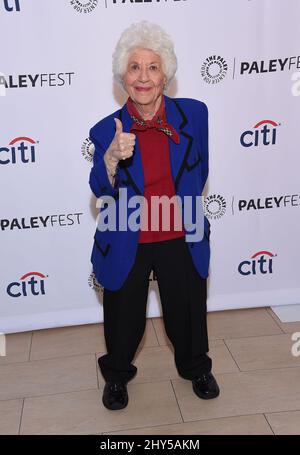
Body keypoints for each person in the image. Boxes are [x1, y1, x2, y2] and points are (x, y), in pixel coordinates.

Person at [89, 20, 220, 410]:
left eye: (152, 67)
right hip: (128, 234)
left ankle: (197, 367)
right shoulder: (104, 130)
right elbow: (100, 188)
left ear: (166, 74)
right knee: (122, 316)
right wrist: (111, 158)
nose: (143, 77)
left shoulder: (195, 115)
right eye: (134, 67)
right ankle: (116, 376)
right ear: (122, 77)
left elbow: (201, 170)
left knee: (188, 310)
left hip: (180, 231)